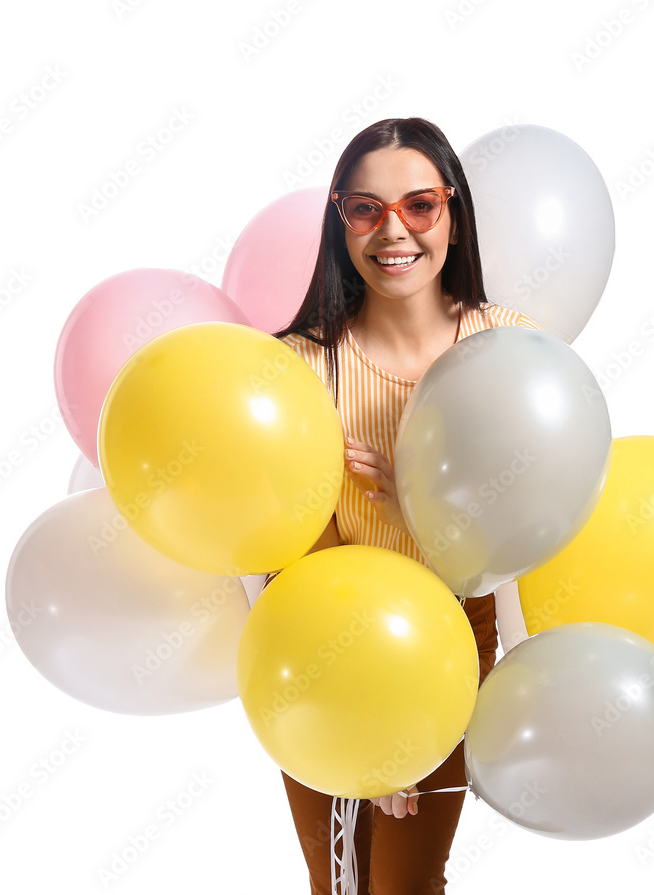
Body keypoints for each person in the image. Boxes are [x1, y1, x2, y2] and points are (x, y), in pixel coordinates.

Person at [272, 117, 541, 895]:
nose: (394, 231)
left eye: (420, 205)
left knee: (407, 885)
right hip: (322, 650)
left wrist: (423, 502)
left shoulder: (511, 346)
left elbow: (531, 521)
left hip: (455, 638)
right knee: (337, 883)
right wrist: (368, 724)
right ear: (341, 220)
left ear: (453, 212)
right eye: (366, 209)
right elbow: (290, 556)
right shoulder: (301, 365)